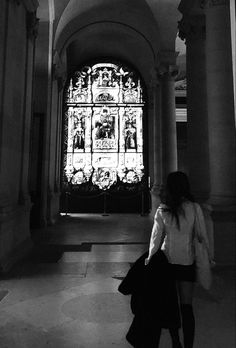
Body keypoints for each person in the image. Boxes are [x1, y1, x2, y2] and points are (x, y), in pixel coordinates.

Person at [145, 171, 211, 348]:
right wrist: (207, 257)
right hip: (186, 261)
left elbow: (156, 238)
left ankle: (175, 342)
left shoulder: (162, 209)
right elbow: (202, 236)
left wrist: (150, 258)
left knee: (170, 307)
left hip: (167, 261)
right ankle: (188, 345)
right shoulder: (194, 208)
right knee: (186, 307)